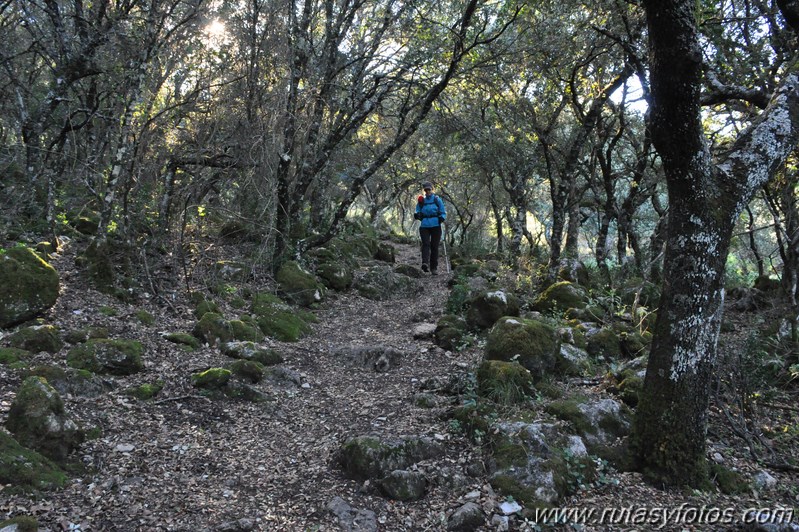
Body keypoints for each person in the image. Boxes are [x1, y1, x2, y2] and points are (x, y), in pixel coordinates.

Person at [414, 181, 446, 275]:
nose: (428, 191)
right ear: (424, 190)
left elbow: (443, 211)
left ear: (432, 189)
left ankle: (434, 268)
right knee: (426, 244)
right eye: (426, 190)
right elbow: (417, 210)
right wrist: (417, 215)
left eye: (429, 189)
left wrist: (442, 218)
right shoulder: (421, 201)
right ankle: (425, 263)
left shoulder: (437, 199)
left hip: (436, 225)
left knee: (434, 246)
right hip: (424, 225)